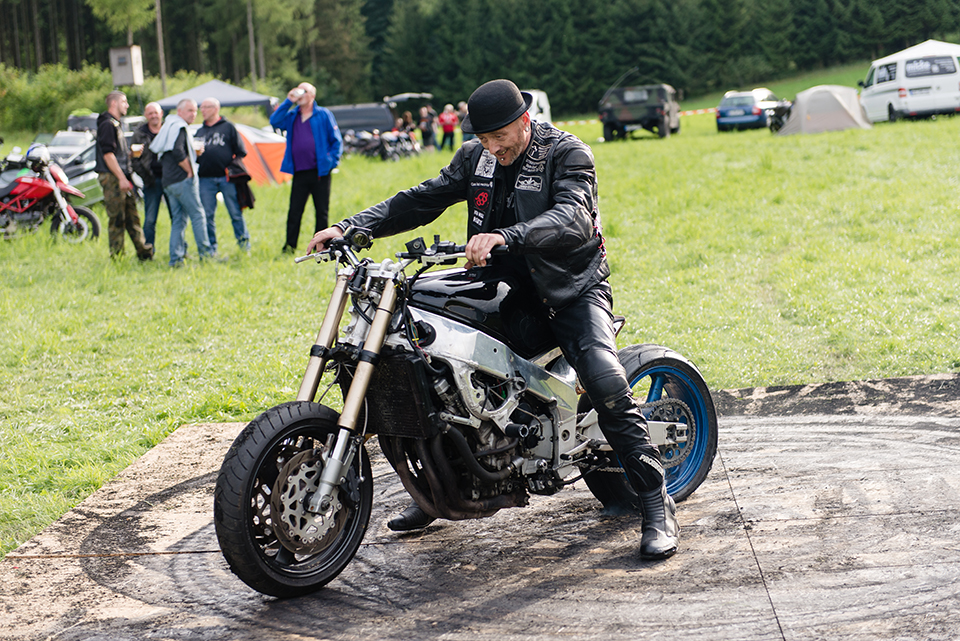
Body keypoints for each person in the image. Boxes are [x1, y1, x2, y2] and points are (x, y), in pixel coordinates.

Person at [306, 79, 680, 560]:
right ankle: (438, 489)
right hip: (499, 290)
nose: (492, 148)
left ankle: (655, 500)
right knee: (422, 364)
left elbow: (572, 218)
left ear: (524, 121)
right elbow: (421, 198)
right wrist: (351, 226)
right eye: (483, 138)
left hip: (569, 291)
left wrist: (507, 236)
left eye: (499, 137)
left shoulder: (567, 153)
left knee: (605, 380)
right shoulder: (475, 157)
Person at [268, 82, 343, 253]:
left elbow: (336, 141)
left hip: (320, 171)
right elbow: (275, 121)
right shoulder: (292, 115)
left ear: (312, 96)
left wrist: (331, 162)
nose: (301, 94)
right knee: (294, 211)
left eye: (305, 91)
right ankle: (290, 246)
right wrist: (288, 100)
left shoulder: (323, 114)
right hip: (300, 171)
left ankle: (321, 247)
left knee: (321, 211)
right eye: (298, 90)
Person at [149, 98, 216, 268]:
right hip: (181, 180)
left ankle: (176, 259)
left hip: (168, 181)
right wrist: (190, 171)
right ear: (179, 111)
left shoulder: (168, 125)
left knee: (178, 220)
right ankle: (206, 255)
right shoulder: (179, 127)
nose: (194, 114)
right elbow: (177, 151)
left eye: (195, 111)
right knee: (198, 215)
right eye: (190, 110)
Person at [95, 90, 153, 260]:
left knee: (132, 216)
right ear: (114, 103)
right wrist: (121, 178)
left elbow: (116, 154)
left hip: (121, 175)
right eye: (124, 102)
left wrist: (130, 155)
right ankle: (117, 256)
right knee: (117, 218)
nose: (127, 105)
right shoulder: (107, 124)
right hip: (112, 177)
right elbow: (108, 155)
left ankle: (144, 252)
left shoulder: (116, 124)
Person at [196, 98, 251, 253]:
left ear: (215, 109)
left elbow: (241, 151)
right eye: (201, 108)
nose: (202, 110)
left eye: (206, 107)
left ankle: (244, 246)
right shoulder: (200, 132)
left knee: (235, 213)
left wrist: (232, 167)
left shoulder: (228, 127)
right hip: (205, 179)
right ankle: (211, 249)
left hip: (227, 178)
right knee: (207, 216)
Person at [130, 102, 167, 248]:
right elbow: (134, 159)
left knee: (177, 217)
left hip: (170, 179)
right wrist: (146, 177)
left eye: (155, 112)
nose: (153, 116)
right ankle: (148, 250)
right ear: (146, 115)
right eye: (150, 113)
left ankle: (180, 249)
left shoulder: (168, 130)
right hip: (151, 180)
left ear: (161, 113)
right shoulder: (140, 133)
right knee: (150, 219)